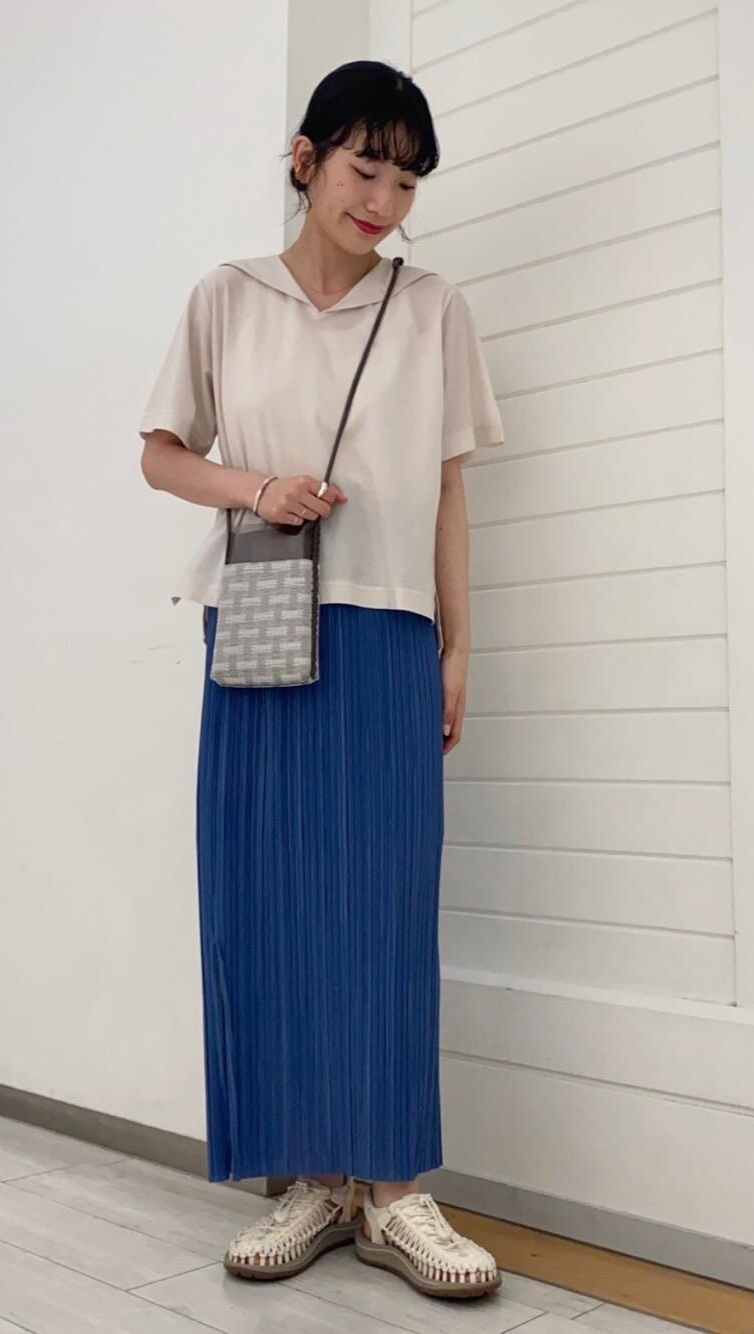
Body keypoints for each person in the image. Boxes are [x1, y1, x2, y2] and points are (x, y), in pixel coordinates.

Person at [137, 60, 504, 1300]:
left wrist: (459, 642)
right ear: (305, 160)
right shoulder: (226, 296)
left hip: (390, 621)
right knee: (265, 892)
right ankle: (308, 1175)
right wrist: (258, 487)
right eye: (364, 167)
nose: (383, 199)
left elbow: (446, 486)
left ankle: (393, 1189)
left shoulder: (432, 306)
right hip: (258, 604)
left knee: (385, 902)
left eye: (406, 181)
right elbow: (161, 455)